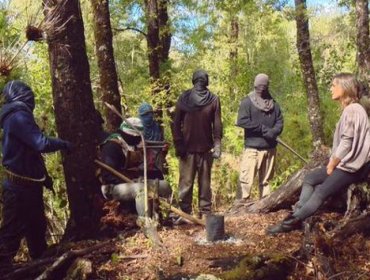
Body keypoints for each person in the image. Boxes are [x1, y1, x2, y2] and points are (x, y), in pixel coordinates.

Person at [266, 73, 370, 235]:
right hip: (347, 165)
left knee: (320, 192)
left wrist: (332, 163)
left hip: (352, 167)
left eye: (334, 85)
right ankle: (299, 212)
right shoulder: (352, 109)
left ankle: (289, 224)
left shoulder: (353, 110)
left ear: (345, 88)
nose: (331, 89)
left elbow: (346, 143)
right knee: (310, 179)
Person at [0, 80, 72, 272]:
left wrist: (44, 177)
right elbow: (40, 143)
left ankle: (38, 270)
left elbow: (31, 153)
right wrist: (63, 143)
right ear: (20, 95)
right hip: (18, 189)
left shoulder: (17, 115)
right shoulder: (17, 116)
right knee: (10, 236)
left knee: (37, 233)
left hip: (28, 187)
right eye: (27, 92)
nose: (30, 96)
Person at [172, 69, 222, 220]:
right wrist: (178, 143)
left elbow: (217, 124)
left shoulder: (213, 99)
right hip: (187, 150)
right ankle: (184, 214)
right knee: (185, 184)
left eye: (202, 80)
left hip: (206, 149)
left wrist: (217, 144)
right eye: (198, 80)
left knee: (205, 184)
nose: (200, 83)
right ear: (195, 81)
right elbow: (175, 123)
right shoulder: (184, 98)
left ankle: (205, 213)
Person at [98, 117, 171, 217]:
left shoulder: (130, 145)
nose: (138, 140)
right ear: (129, 135)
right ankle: (146, 222)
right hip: (111, 188)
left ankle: (165, 215)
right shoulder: (112, 146)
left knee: (164, 186)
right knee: (141, 190)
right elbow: (107, 176)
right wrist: (130, 182)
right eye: (136, 137)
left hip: (131, 181)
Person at [236, 73, 283, 202]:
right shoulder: (247, 102)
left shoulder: (274, 104)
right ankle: (242, 204)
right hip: (252, 149)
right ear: (255, 85)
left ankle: (265, 204)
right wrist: (262, 129)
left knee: (266, 181)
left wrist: (273, 132)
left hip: (270, 148)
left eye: (264, 86)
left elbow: (279, 122)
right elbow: (242, 121)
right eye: (259, 86)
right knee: (246, 180)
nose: (261, 89)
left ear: (267, 86)